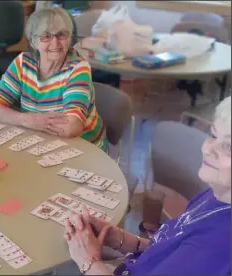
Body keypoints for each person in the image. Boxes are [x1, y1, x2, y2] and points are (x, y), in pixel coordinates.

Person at [64, 96, 231, 275]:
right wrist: (119, 238)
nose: (208, 149)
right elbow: (167, 249)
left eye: (228, 147)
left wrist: (88, 261)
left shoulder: (217, 244)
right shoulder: (217, 195)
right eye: (213, 135)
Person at [0, 5, 107, 151]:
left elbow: (71, 127)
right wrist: (27, 120)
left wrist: (24, 119)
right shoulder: (22, 63)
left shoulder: (78, 69)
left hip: (83, 149)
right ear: (33, 42)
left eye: (62, 34)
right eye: (46, 36)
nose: (55, 43)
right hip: (39, 143)